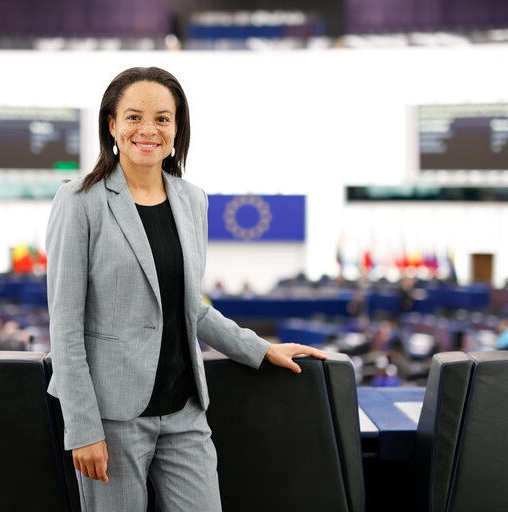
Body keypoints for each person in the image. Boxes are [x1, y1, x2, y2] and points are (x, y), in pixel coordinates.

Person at [46, 67, 327, 512]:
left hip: (184, 410)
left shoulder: (192, 199)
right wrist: (82, 428)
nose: (148, 130)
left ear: (177, 130)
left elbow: (188, 306)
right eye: (134, 116)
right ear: (112, 124)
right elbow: (64, 326)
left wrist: (259, 349)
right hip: (111, 417)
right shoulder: (80, 201)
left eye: (162, 118)